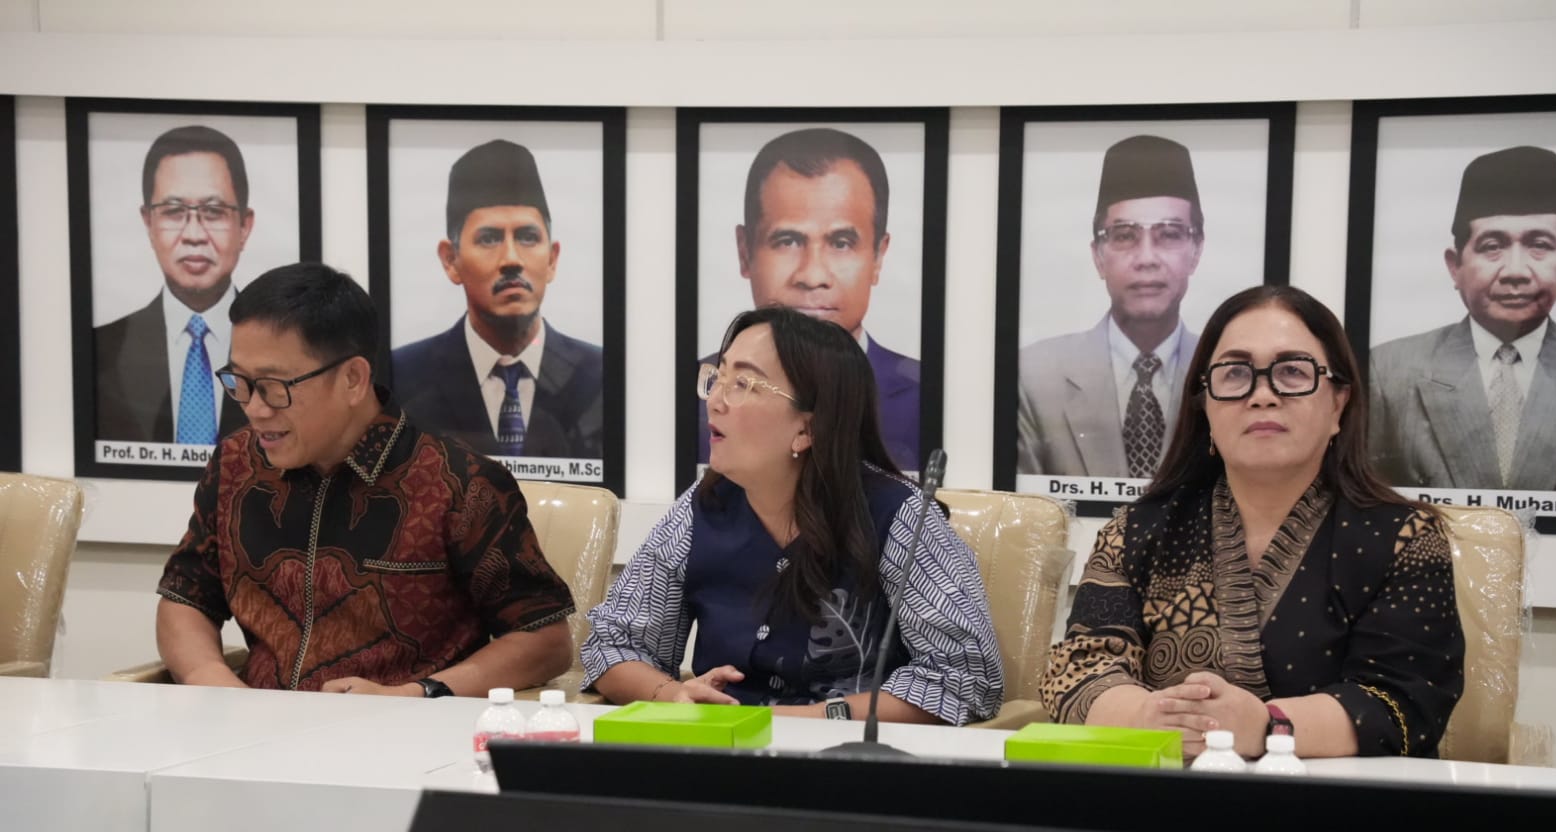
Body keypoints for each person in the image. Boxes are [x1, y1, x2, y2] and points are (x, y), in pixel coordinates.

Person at [1040, 284, 1463, 758]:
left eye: (1292, 371)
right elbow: (1080, 669)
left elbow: (1407, 703)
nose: (1262, 395)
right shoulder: (1136, 532)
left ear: (1338, 404)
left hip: (1337, 798)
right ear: (1205, 403)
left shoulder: (1405, 539)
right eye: (1235, 373)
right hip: (1169, 788)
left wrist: (1267, 726)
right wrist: (1147, 717)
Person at [156, 262, 576, 696]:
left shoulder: (461, 485)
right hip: (253, 725)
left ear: (353, 379)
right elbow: (185, 600)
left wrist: (416, 694)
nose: (254, 408)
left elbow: (545, 640)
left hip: (401, 727)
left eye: (274, 386)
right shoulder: (237, 465)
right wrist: (214, 681)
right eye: (240, 381)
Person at [588, 306, 1001, 724]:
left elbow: (966, 679)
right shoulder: (702, 506)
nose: (714, 400)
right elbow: (612, 643)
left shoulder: (899, 516)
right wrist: (673, 694)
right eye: (718, 378)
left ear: (807, 429)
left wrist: (806, 720)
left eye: (743, 384)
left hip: (850, 752)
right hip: (721, 748)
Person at [1368, 145, 1556, 492]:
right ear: (1455, 265)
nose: (1516, 271)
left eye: (1539, 244)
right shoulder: (1387, 373)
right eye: (1492, 246)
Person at [698, 128, 922, 471]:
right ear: (745, 252)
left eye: (841, 243)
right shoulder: (699, 397)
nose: (812, 275)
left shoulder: (920, 393)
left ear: (878, 256)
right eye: (787, 241)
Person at [392, 139, 604, 460]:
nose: (511, 259)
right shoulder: (403, 377)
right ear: (450, 260)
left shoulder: (599, 376)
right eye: (489, 238)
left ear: (552, 259)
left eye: (528, 237)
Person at [1017, 135, 1205, 479]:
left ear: (1196, 251)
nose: (1146, 259)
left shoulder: (1225, 372)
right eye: (1124, 235)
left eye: (1169, 234)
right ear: (1098, 257)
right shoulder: (1034, 377)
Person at [95, 125, 255, 444]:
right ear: (148, 223)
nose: (194, 235)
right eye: (173, 211)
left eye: (213, 212)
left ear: (244, 226)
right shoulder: (101, 350)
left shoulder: (285, 352)